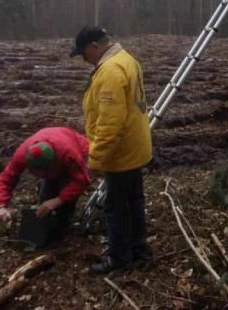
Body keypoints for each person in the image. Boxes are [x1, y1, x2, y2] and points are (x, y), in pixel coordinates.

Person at [71, 26, 153, 275]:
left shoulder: (109, 72)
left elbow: (110, 124)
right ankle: (139, 250)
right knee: (134, 201)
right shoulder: (127, 59)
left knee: (115, 208)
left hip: (120, 154)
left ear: (95, 46)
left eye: (84, 54)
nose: (84, 60)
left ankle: (119, 259)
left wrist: (96, 160)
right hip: (135, 148)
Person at [0, 127, 91, 241]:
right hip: (54, 148)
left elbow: (82, 181)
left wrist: (58, 200)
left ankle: (64, 223)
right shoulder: (21, 155)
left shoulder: (68, 153)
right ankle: (47, 230)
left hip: (73, 145)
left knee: (65, 198)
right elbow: (6, 178)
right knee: (44, 201)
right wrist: (1, 206)